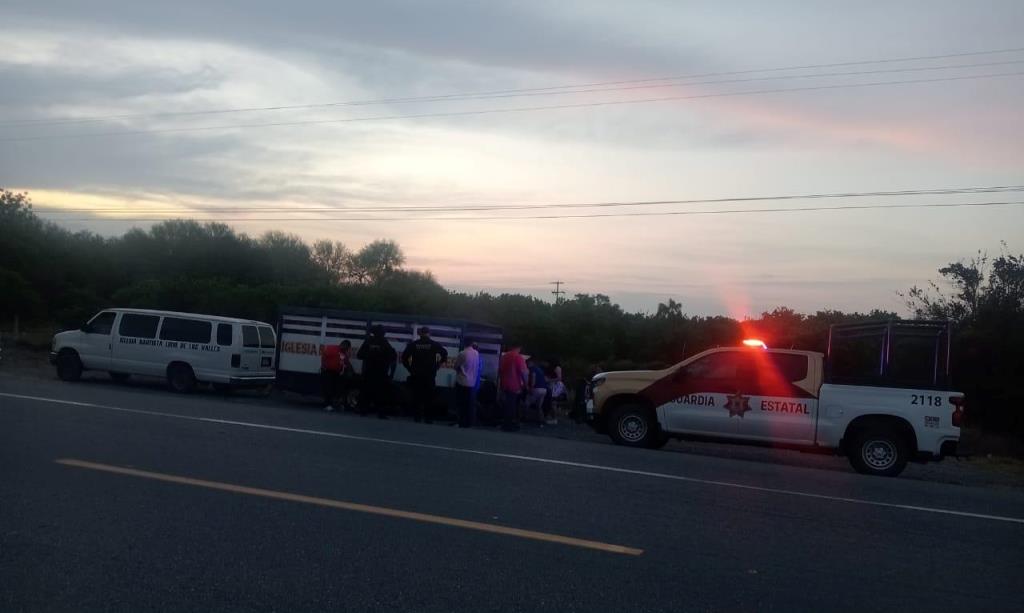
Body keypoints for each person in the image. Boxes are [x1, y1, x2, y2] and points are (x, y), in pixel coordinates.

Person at [402, 327, 448, 423]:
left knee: (417, 396)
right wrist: (438, 364)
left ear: (420, 334)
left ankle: (417, 417)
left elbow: (404, 357)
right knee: (429, 397)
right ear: (429, 334)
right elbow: (444, 353)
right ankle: (428, 418)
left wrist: (410, 369)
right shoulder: (434, 344)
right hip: (429, 375)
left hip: (416, 374)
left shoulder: (414, 345)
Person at [357, 325, 397, 419]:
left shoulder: (368, 341)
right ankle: (381, 413)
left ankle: (363, 411)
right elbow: (393, 356)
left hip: (369, 371)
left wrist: (370, 355)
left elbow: (360, 355)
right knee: (381, 394)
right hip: (381, 372)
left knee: (366, 392)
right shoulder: (384, 342)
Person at [498, 342, 528, 431]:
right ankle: (509, 424)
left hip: (504, 384)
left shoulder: (504, 357)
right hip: (515, 384)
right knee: (512, 405)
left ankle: (505, 423)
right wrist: (526, 385)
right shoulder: (518, 357)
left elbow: (500, 371)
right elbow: (524, 372)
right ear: (519, 347)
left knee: (507, 404)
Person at [453, 339, 481, 428]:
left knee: (461, 403)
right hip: (472, 382)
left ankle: (461, 422)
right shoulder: (476, 353)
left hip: (462, 381)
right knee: (469, 403)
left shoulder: (462, 353)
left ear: (464, 343)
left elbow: (456, 366)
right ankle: (468, 422)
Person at [320, 340, 346, 411]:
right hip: (328, 371)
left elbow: (344, 362)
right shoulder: (333, 349)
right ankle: (327, 404)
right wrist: (323, 366)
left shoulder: (343, 353)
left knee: (333, 389)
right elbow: (324, 356)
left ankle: (331, 404)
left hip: (336, 373)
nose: (346, 349)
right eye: (346, 347)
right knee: (328, 388)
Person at [525, 357, 551, 424]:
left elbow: (533, 378)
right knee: (539, 406)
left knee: (527, 403)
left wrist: (531, 388)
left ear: (531, 362)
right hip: (544, 389)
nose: (526, 364)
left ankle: (525, 418)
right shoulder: (540, 369)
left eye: (527, 363)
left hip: (537, 389)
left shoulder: (532, 369)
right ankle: (541, 420)